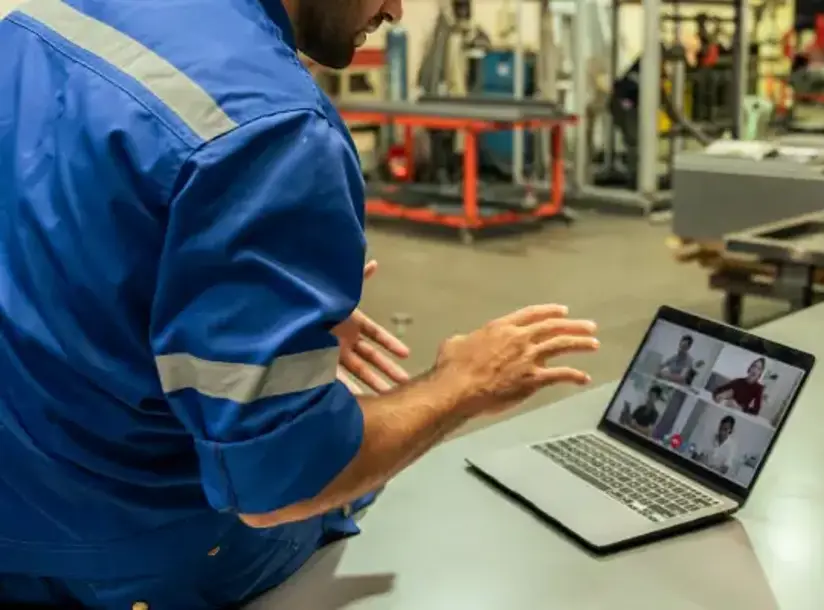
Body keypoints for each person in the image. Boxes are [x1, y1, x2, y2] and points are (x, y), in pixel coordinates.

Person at [0, 0, 600, 607]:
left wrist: (242, 311)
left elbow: (59, 254)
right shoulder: (271, 124)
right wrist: (462, 384)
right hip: (135, 556)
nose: (395, 9)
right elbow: (276, 487)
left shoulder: (45, 23)